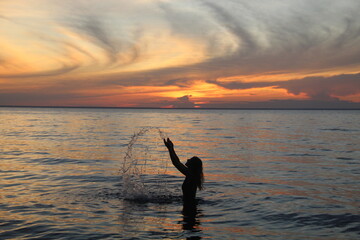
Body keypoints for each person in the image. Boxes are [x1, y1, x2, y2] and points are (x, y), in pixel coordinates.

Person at [163, 138, 204, 206]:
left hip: (189, 206)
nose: (188, 159)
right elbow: (177, 162)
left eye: (190, 159)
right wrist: (171, 148)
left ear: (192, 165)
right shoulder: (191, 175)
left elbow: (176, 162)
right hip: (189, 204)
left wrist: (170, 148)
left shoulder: (191, 175)